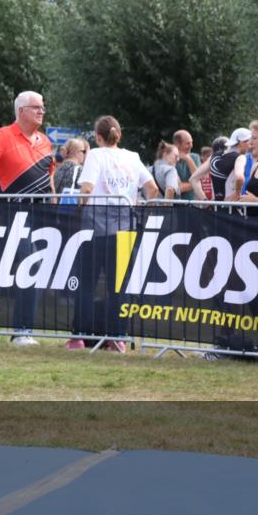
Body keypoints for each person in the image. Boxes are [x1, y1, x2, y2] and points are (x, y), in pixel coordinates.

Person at [0, 91, 55, 347]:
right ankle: (21, 331)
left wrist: (52, 197)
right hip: (16, 213)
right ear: (21, 111)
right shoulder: (5, 135)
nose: (42, 111)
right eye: (36, 107)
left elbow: (48, 173)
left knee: (38, 267)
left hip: (42, 214)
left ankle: (25, 329)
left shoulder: (46, 141)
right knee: (31, 264)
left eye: (43, 107)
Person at [69, 115, 159, 352]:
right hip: (126, 227)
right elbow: (152, 189)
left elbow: (87, 188)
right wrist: (143, 213)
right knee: (119, 286)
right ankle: (117, 337)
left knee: (86, 285)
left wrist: (78, 210)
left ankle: (79, 337)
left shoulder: (96, 155)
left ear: (98, 137)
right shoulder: (133, 157)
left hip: (95, 228)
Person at [192, 129, 249, 202]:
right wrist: (237, 193)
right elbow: (239, 178)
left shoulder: (214, 156)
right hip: (231, 207)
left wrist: (205, 201)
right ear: (241, 143)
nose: (250, 144)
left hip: (216, 207)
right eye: (249, 141)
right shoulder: (240, 157)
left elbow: (193, 179)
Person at [172, 130, 200, 200]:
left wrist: (188, 159)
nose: (191, 146)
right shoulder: (170, 158)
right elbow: (178, 187)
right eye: (188, 143)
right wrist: (195, 185)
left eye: (191, 142)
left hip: (193, 203)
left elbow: (198, 178)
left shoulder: (195, 157)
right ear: (177, 144)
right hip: (174, 204)